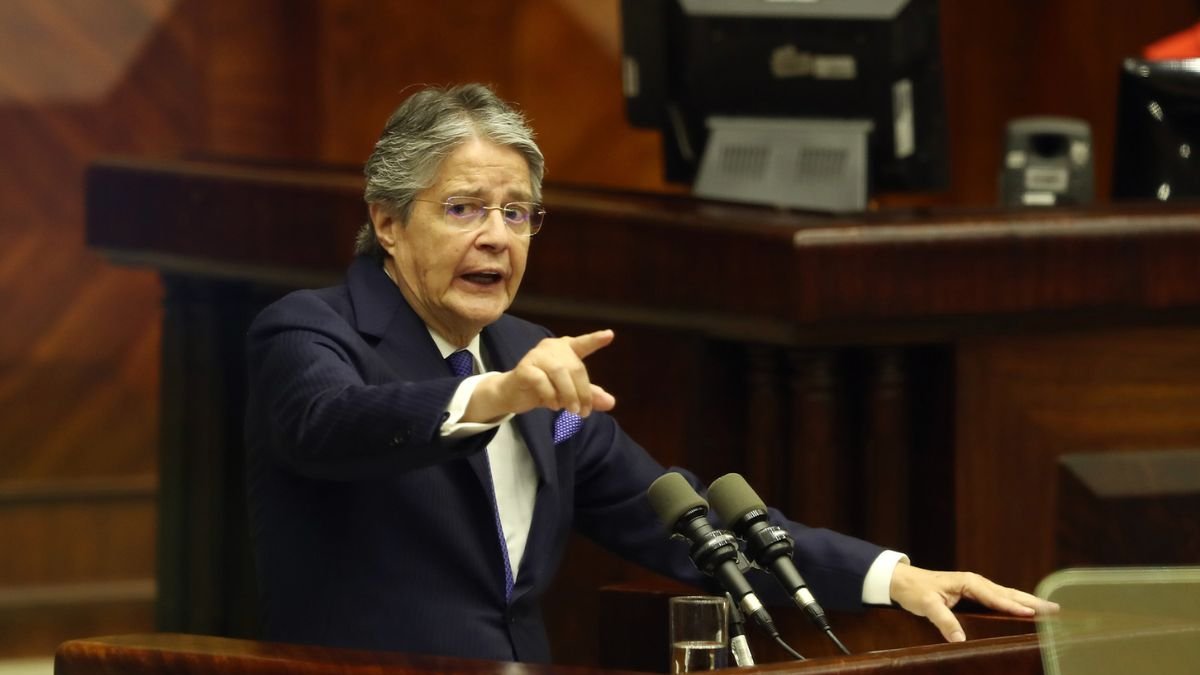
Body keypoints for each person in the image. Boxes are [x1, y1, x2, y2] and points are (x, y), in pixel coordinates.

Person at [244, 83, 1056, 663]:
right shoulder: (311, 330)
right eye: (464, 208)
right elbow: (330, 425)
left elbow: (679, 518)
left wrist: (892, 576)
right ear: (387, 221)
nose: (497, 236)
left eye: (517, 212)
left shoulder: (535, 365)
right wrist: (492, 395)